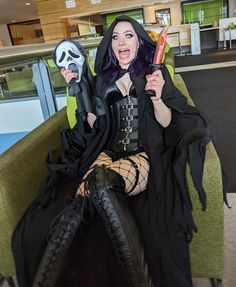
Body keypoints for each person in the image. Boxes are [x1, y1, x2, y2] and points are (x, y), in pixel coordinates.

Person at [12, 15, 226, 287]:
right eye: (115, 37)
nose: (121, 41)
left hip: (145, 153)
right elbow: (94, 126)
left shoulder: (154, 74)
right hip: (109, 151)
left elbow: (169, 122)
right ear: (110, 44)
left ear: (138, 42)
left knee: (100, 184)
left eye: (128, 35)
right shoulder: (102, 80)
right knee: (78, 201)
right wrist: (80, 91)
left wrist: (158, 98)